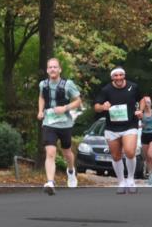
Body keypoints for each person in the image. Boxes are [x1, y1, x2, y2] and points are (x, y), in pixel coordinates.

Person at [93, 67, 143, 194]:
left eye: (121, 75)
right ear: (112, 77)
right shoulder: (106, 90)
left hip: (130, 125)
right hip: (112, 127)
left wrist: (140, 110)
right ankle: (121, 182)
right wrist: (103, 107)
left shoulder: (133, 87)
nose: (119, 78)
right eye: (116, 75)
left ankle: (131, 179)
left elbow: (142, 99)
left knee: (130, 152)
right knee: (116, 156)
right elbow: (96, 107)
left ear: (124, 76)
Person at [37, 58, 82, 195]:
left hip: (65, 123)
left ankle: (71, 171)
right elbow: (42, 97)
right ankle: (50, 182)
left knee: (67, 151)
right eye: (50, 67)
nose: (52, 69)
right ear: (47, 70)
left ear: (60, 69)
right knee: (50, 153)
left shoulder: (68, 84)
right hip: (49, 122)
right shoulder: (43, 84)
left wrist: (65, 108)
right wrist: (40, 111)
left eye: (55, 67)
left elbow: (78, 101)